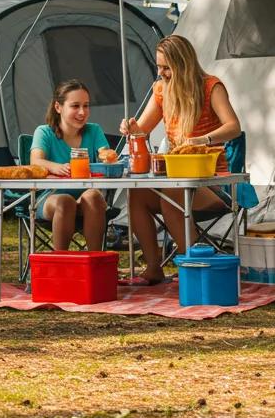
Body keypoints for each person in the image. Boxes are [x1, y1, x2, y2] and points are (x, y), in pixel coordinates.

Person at [119, 34, 241, 284]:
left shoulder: (211, 87)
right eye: (159, 67)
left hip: (211, 182)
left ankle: (193, 270)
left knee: (173, 192)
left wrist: (202, 140)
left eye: (167, 68)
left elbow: (233, 127)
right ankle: (153, 267)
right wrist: (131, 128)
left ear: (183, 65)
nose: (161, 73)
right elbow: (141, 130)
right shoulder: (162, 90)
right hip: (177, 178)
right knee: (137, 195)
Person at [29, 80, 110, 251]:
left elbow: (105, 155)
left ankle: (95, 262)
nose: (82, 112)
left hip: (85, 198)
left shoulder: (94, 131)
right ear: (58, 107)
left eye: (86, 106)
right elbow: (35, 161)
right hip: (51, 197)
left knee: (94, 196)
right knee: (65, 202)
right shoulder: (44, 132)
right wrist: (55, 166)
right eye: (75, 106)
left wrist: (107, 157)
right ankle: (62, 265)